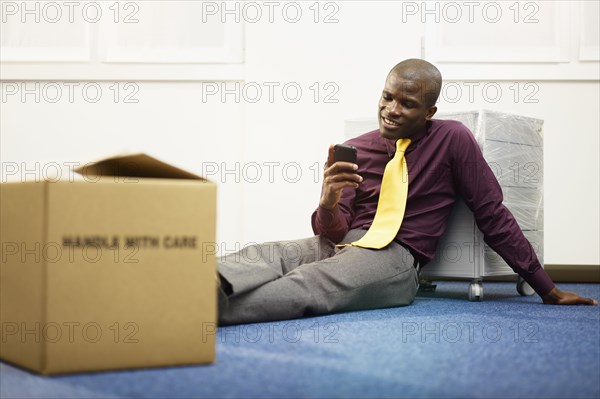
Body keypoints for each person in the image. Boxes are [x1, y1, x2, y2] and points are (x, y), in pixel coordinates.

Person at [217, 58, 597, 326]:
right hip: (345, 242)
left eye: (407, 104)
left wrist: (545, 286)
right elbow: (331, 233)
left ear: (429, 111)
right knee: (267, 254)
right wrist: (327, 201)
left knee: (312, 283)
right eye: (387, 97)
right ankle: (184, 285)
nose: (391, 110)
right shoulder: (356, 148)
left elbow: (492, 213)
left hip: (396, 258)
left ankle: (199, 312)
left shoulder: (452, 139)